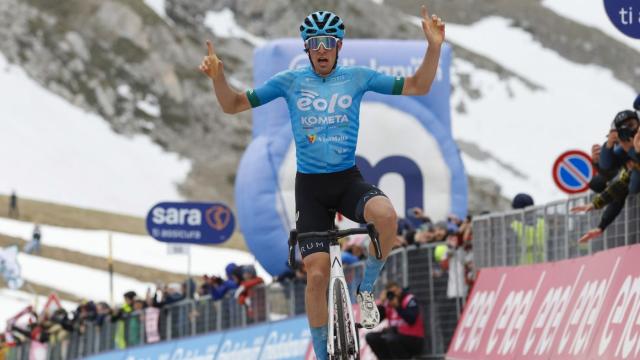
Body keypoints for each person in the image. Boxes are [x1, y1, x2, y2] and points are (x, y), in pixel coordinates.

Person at [199, 6, 445, 359]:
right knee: (315, 278)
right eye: (314, 43)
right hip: (310, 189)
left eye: (328, 42)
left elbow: (418, 85)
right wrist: (218, 79)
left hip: (347, 180)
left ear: (339, 46)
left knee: (386, 216)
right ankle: (320, 353)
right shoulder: (290, 81)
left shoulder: (358, 77)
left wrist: (433, 46)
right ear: (306, 48)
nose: (322, 49)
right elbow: (234, 104)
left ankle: (367, 289)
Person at [365, 282, 424, 359]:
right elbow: (375, 320)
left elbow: (411, 319)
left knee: (391, 339)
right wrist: (382, 303)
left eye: (394, 292)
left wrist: (398, 307)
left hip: (413, 338)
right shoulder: (388, 303)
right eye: (390, 293)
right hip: (395, 336)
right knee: (371, 337)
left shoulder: (409, 299)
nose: (393, 295)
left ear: (399, 289)